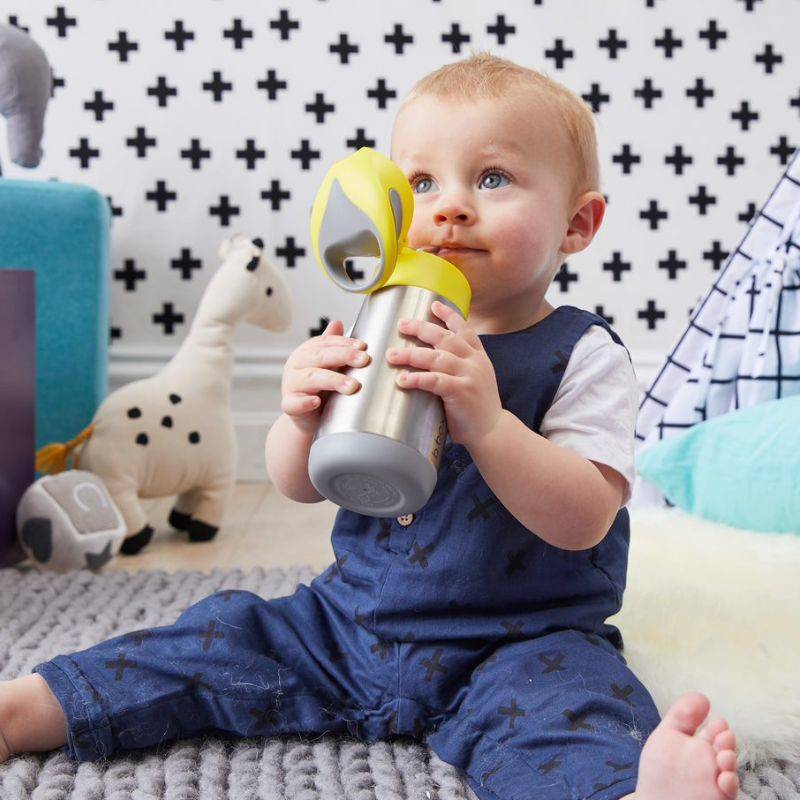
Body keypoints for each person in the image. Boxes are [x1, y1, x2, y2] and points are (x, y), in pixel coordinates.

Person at [0, 52, 739, 800]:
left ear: (577, 224)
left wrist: (488, 423)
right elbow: (298, 485)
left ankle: (634, 793)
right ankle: (25, 708)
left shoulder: (582, 352)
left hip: (520, 644)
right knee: (216, 636)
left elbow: (584, 519)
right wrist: (300, 417)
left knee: (575, 710)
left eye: (493, 178)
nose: (450, 208)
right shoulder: (377, 326)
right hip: (347, 623)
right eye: (421, 183)